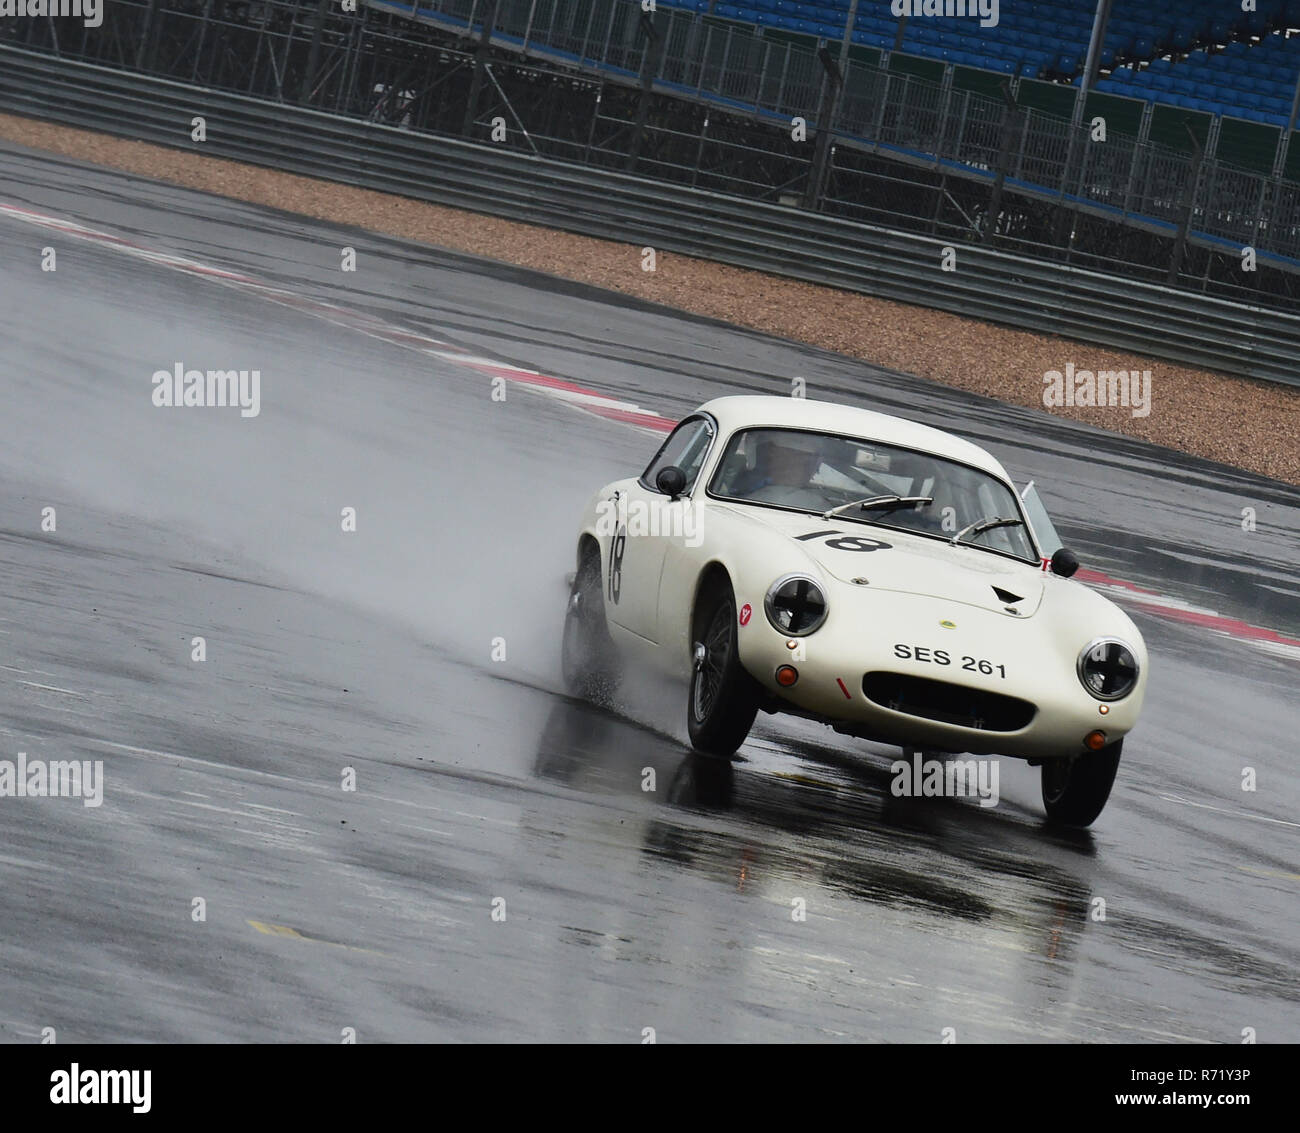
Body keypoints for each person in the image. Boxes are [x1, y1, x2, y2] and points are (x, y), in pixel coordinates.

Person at [743, 431, 831, 510]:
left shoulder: (747, 499)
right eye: (782, 457)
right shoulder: (821, 507)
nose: (789, 467)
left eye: (799, 459)